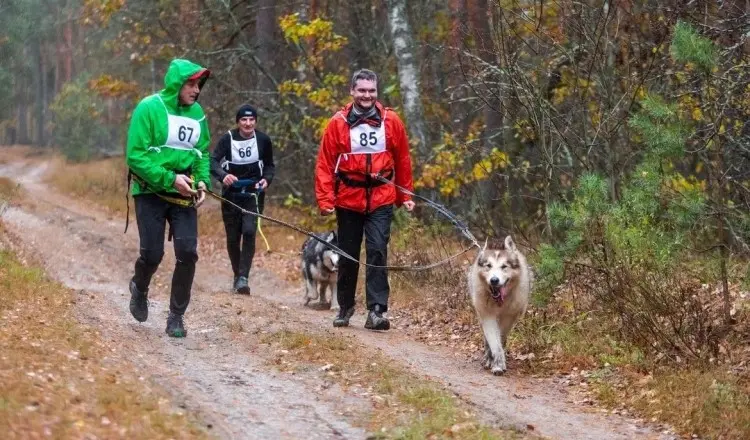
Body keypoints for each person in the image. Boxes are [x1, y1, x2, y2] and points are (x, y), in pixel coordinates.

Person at [314, 69, 415, 330]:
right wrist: (325, 199)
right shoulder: (337, 123)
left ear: (377, 92)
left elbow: (402, 159)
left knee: (378, 250)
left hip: (381, 196)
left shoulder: (391, 121)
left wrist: (405, 195)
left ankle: (377, 311)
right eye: (362, 90)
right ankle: (345, 307)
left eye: (371, 91)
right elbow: (325, 164)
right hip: (348, 198)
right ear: (352, 91)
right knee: (348, 254)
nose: (367, 95)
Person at [126, 58, 212, 338]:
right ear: (176, 83)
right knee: (152, 254)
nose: (196, 90)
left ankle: (176, 317)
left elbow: (202, 153)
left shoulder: (197, 113)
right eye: (190, 83)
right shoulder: (148, 108)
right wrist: (169, 179)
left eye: (198, 84)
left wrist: (201, 182)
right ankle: (139, 286)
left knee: (187, 253)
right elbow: (135, 156)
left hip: (184, 192)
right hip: (150, 191)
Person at [210, 104, 275, 294]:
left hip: (253, 195)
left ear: (255, 121)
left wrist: (267, 180)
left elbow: (270, 165)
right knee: (233, 237)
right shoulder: (227, 139)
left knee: (248, 232)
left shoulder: (263, 140)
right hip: (231, 195)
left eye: (251, 120)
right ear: (238, 122)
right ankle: (237, 274)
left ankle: (243, 277)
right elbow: (212, 161)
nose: (248, 123)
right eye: (244, 120)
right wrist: (223, 175)